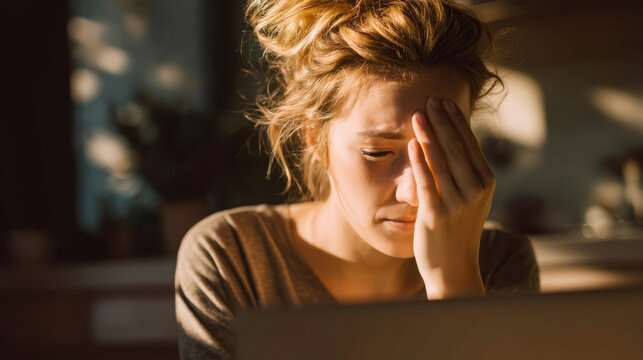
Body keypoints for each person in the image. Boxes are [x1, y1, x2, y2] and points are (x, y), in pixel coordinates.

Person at [175, 0, 540, 359]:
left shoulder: (497, 264)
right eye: (377, 153)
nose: (414, 192)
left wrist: (455, 284)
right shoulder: (233, 259)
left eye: (442, 149)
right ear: (313, 136)